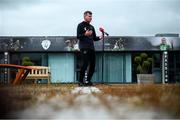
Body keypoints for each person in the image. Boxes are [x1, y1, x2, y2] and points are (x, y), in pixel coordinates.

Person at [77, 11, 102, 86]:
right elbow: (78, 36)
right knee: (84, 64)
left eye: (91, 16)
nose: (91, 18)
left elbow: (94, 38)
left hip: (91, 48)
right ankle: (80, 81)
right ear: (85, 16)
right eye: (89, 16)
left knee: (93, 65)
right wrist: (85, 34)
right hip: (84, 47)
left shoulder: (92, 27)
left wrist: (100, 37)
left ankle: (88, 81)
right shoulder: (80, 25)